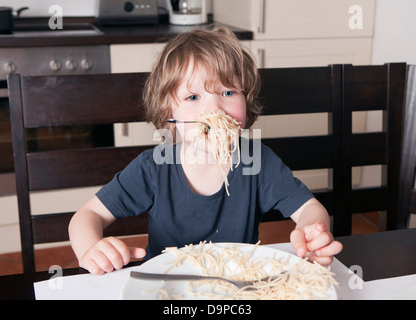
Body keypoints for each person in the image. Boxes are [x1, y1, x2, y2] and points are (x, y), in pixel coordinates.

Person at [69, 25, 342, 275]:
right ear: (169, 112)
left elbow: (309, 208)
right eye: (193, 97)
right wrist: (91, 248)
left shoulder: (258, 162)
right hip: (164, 288)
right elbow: (86, 217)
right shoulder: (153, 167)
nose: (213, 109)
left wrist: (312, 231)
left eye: (227, 92)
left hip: (235, 285)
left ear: (245, 101)